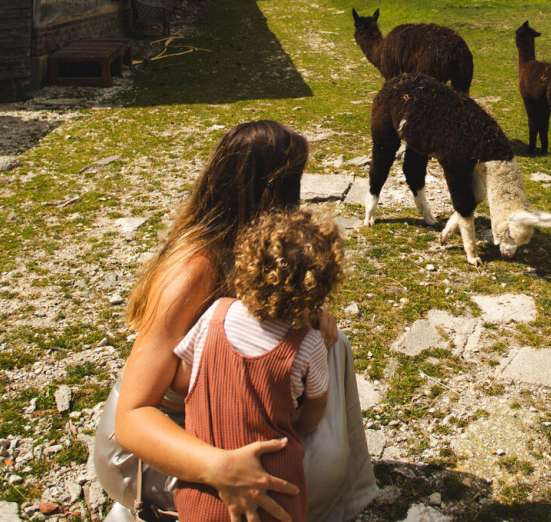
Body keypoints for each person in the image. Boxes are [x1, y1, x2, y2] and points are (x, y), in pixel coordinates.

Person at [94, 120, 376, 522]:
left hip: (220, 415)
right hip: (150, 449)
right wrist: (218, 467)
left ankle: (345, 494)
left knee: (333, 345)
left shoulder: (250, 252)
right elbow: (132, 419)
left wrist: (307, 313)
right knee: (313, 472)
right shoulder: (191, 271)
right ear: (271, 192)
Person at [173, 208, 345, 522]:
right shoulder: (308, 343)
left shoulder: (216, 314)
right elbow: (314, 411)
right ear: (320, 287)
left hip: (203, 494)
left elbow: (184, 381)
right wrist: (294, 424)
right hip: (274, 495)